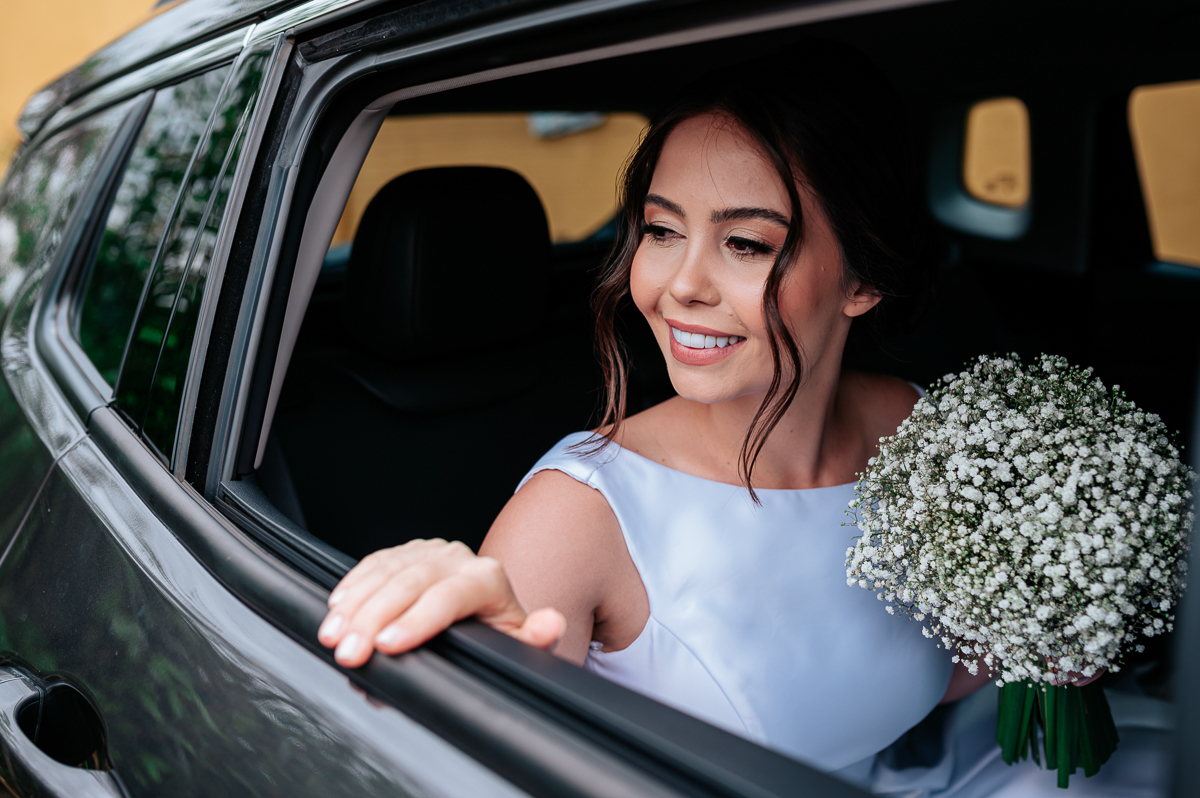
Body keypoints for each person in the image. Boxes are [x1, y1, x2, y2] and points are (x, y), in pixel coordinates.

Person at [317, 47, 1173, 795]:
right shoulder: (575, 518)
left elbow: (921, 680)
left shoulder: (916, 430)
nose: (680, 284)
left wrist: (1044, 628)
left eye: (745, 244)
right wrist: (475, 663)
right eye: (661, 230)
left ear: (862, 282)